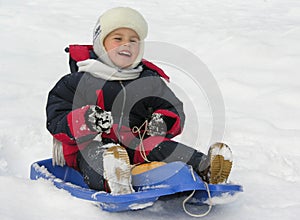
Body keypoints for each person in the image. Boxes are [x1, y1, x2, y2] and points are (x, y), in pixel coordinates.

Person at [46, 7, 232, 195]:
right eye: (118, 39)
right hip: (90, 146)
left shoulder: (148, 81)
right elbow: (56, 118)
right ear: (101, 43)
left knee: (158, 146)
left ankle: (204, 167)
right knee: (96, 155)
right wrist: (87, 120)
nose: (126, 45)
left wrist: (162, 122)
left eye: (133, 41)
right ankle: (114, 178)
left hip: (136, 145)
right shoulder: (77, 82)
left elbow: (172, 108)